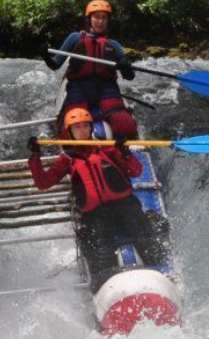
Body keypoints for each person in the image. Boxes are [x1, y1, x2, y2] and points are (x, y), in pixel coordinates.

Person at [26, 108, 168, 289]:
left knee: (154, 252)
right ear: (69, 132)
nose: (82, 131)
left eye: (85, 126)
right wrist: (35, 156)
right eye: (77, 128)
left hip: (125, 206)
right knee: (102, 264)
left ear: (91, 128)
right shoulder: (67, 159)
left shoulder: (107, 148)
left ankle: (152, 221)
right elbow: (43, 183)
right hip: (95, 214)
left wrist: (124, 152)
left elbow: (135, 171)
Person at [42, 0, 138, 138]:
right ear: (89, 19)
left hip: (107, 87)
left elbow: (129, 76)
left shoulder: (114, 45)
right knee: (67, 131)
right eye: (96, 17)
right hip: (79, 87)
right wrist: (45, 56)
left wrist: (126, 65)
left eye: (104, 18)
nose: (100, 21)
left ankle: (121, 150)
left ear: (108, 21)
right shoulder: (75, 38)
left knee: (126, 126)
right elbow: (55, 65)